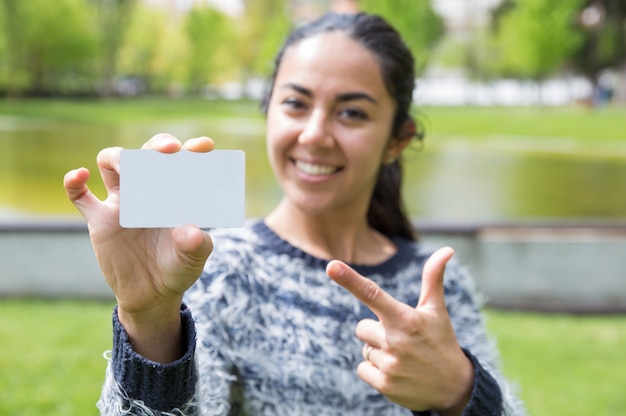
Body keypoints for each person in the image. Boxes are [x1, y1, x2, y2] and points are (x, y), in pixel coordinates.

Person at [64, 12, 524, 416]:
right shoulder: (208, 269)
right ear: (268, 113)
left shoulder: (435, 286)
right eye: (295, 104)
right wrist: (148, 319)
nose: (315, 135)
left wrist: (461, 392)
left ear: (397, 141)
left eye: (352, 113)